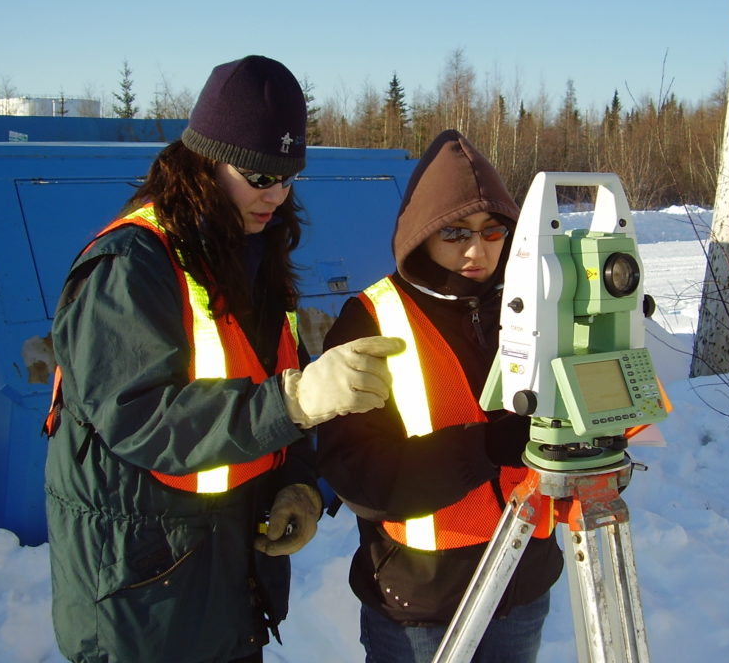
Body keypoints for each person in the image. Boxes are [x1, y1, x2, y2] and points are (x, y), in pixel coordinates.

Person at [44, 55, 404, 663]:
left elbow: (265, 390)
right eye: (258, 176)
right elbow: (141, 417)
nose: (276, 195)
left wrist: (298, 485)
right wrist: (296, 401)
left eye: (287, 178)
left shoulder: (252, 258)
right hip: (144, 606)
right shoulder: (132, 265)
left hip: (222, 585)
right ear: (203, 162)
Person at [316, 130, 563, 663]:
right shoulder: (373, 318)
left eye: (493, 231)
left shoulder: (538, 306)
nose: (477, 251)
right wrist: (482, 449)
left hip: (522, 583)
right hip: (420, 603)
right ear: (421, 234)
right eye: (455, 232)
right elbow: (355, 470)